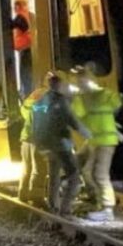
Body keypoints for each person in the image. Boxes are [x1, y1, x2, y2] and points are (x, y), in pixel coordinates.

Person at [30, 72, 91, 216]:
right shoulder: (61, 101)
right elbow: (73, 121)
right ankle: (65, 209)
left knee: (54, 176)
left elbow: (35, 122)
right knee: (74, 177)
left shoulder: (40, 101)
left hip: (45, 144)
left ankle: (53, 206)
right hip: (60, 145)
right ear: (59, 85)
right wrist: (89, 135)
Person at [72, 65, 123, 221]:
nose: (80, 82)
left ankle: (107, 210)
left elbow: (115, 103)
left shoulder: (96, 95)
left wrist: (114, 129)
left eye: (82, 79)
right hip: (96, 140)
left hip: (105, 141)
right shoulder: (87, 97)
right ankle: (97, 202)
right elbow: (116, 103)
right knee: (87, 170)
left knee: (99, 175)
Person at [17, 85, 49, 206]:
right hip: (38, 138)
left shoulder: (31, 98)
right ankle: (37, 197)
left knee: (27, 167)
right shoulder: (46, 98)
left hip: (26, 138)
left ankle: (23, 194)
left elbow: (25, 113)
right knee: (39, 169)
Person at [12, 0, 33, 97]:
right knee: (26, 74)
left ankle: (27, 94)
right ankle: (26, 93)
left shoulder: (20, 17)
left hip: (25, 49)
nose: (14, 9)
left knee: (25, 75)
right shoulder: (27, 15)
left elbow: (11, 25)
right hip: (26, 48)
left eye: (15, 7)